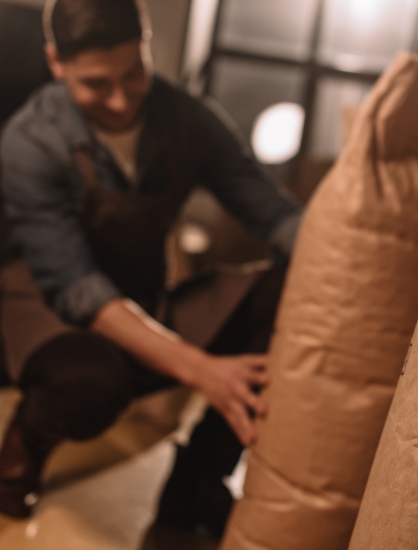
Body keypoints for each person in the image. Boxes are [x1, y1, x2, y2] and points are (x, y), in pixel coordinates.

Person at [0, 0, 301, 535]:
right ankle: (24, 444)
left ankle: (195, 490)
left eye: (132, 73)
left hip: (147, 297)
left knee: (282, 287)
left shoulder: (186, 118)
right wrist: (201, 369)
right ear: (56, 63)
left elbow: (271, 213)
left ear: (145, 46)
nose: (119, 100)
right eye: (96, 84)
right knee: (91, 383)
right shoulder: (30, 142)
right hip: (55, 311)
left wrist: (355, 262)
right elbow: (76, 287)